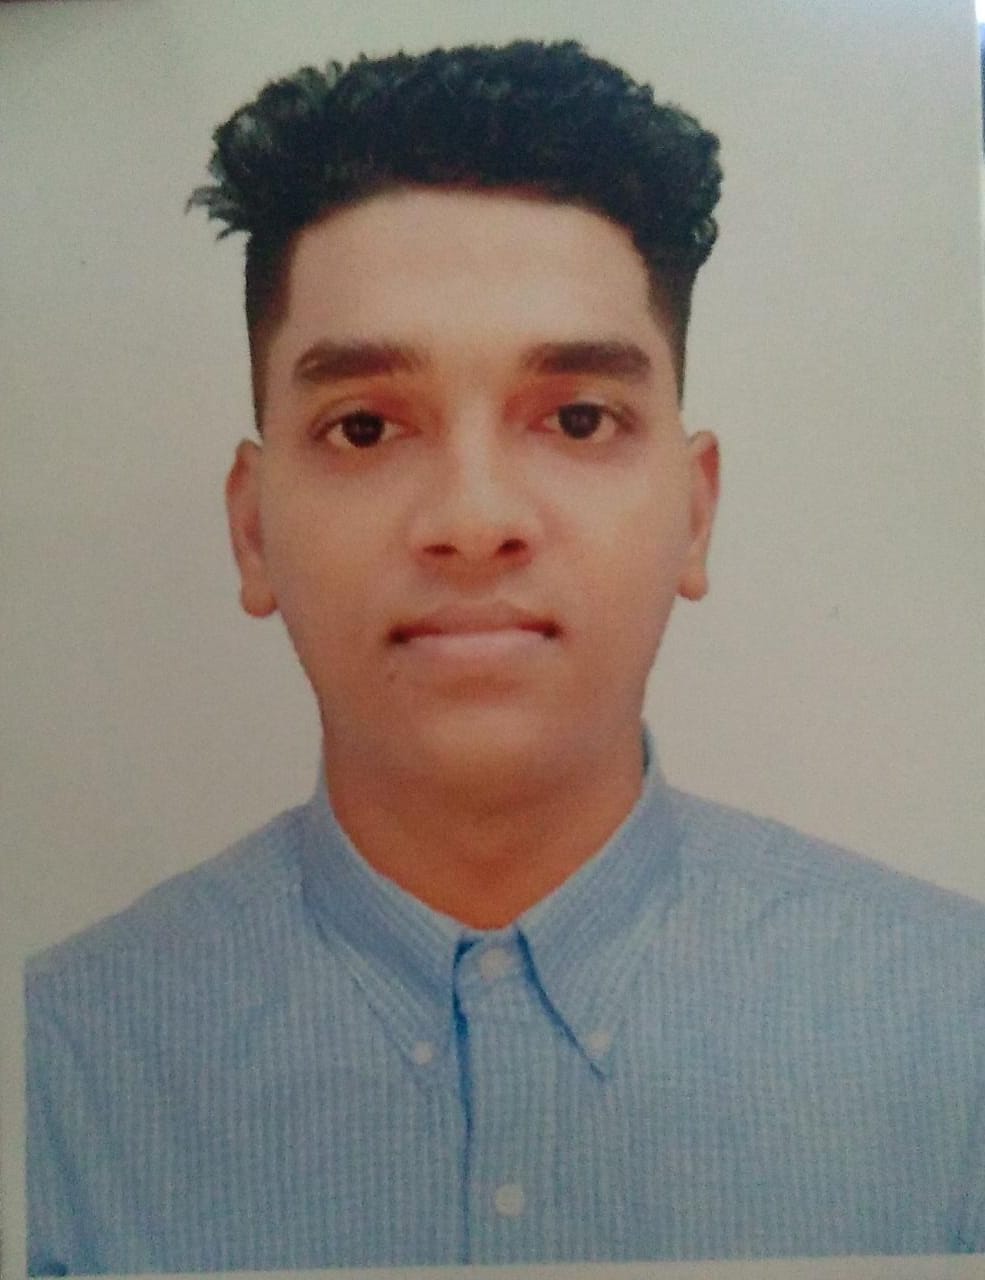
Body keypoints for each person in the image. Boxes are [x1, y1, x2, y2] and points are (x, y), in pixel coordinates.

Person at [25, 40, 985, 1275]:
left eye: (577, 418)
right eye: (364, 426)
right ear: (252, 528)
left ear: (694, 513)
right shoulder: (56, 1074)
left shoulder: (954, 1026)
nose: (473, 519)